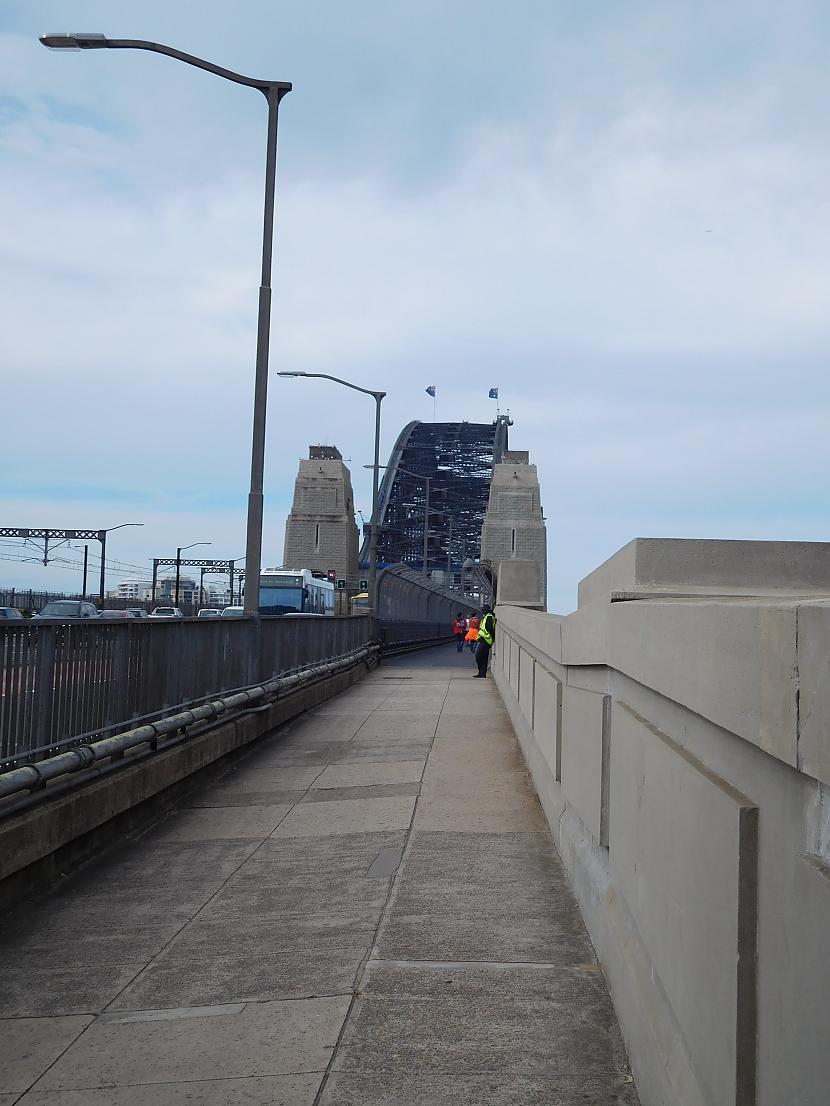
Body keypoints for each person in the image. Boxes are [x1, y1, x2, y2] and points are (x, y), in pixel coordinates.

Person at [474, 606, 496, 678]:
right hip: (483, 639)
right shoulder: (486, 616)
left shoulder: (489, 617)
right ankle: (482, 673)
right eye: (482, 610)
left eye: (484, 610)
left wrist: (492, 638)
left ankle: (482, 672)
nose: (482, 611)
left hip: (486, 640)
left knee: (479, 656)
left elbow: (489, 628)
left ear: (487, 610)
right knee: (483, 657)